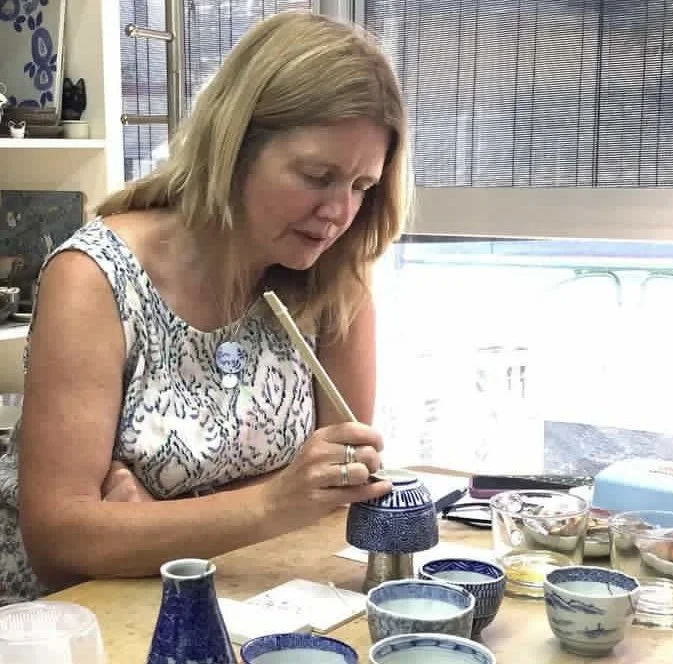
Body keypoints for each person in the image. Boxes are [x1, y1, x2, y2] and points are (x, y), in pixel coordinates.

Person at [0, 11, 410, 605]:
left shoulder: (335, 279)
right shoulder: (96, 278)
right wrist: (271, 501)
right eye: (317, 175)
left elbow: (337, 486)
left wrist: (156, 524)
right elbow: (60, 543)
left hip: (237, 605)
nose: (339, 213)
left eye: (361, 187)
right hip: (71, 631)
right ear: (236, 145)